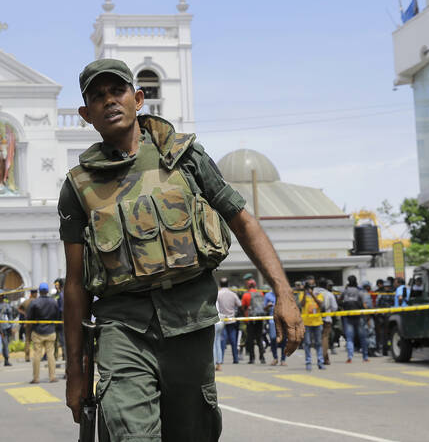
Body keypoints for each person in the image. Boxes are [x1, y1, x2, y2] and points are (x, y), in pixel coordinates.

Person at [60, 58, 304, 441]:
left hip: (189, 324)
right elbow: (75, 285)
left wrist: (284, 294)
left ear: (138, 98)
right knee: (130, 434)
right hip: (122, 328)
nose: (109, 101)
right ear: (85, 114)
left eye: (117, 91)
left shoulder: (185, 157)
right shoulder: (78, 186)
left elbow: (242, 220)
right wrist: (75, 373)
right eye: (97, 96)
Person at [27, 282, 61, 383]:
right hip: (50, 330)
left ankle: (36, 378)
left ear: (39, 292)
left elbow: (29, 317)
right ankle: (52, 377)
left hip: (37, 331)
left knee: (37, 354)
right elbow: (57, 316)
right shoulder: (54, 302)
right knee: (50, 354)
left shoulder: (34, 302)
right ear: (47, 291)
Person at [339, 276, 368, 363]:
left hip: (348, 317)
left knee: (349, 338)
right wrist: (368, 314)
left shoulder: (345, 291)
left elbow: (339, 301)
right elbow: (364, 304)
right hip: (359, 317)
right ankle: (365, 357)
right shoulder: (360, 291)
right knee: (362, 337)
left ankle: (350, 357)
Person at [298, 277, 325, 371]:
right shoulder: (302, 294)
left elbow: (321, 304)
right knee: (307, 343)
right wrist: (306, 294)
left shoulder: (318, 293)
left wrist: (312, 294)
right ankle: (308, 362)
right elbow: (301, 304)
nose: (310, 286)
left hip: (317, 322)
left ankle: (320, 362)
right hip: (306, 322)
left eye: (311, 284)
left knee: (318, 343)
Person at [240, 275, 266, 364]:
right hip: (260, 318)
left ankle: (252, 358)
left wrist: (245, 317)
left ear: (248, 286)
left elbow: (243, 307)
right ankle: (262, 358)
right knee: (259, 338)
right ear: (255, 285)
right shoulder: (261, 293)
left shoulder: (246, 295)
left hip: (250, 319)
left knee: (250, 339)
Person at [217, 277, 241, 366]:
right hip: (231, 319)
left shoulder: (218, 294)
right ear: (228, 284)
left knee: (222, 340)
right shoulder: (232, 294)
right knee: (233, 340)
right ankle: (235, 359)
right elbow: (239, 304)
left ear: (220, 284)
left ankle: (221, 359)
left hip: (221, 319)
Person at [314, 277, 337, 365]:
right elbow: (334, 307)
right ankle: (324, 357)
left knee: (317, 339)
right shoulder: (329, 294)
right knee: (325, 338)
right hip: (326, 319)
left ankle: (322, 357)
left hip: (314, 318)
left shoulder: (313, 293)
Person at [264, 288, 286, 366]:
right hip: (272, 321)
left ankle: (283, 359)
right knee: (273, 338)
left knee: (283, 340)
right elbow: (264, 309)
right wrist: (268, 306)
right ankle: (275, 358)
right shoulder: (268, 295)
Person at [375, 279, 395, 356]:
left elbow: (393, 303)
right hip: (382, 316)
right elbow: (377, 303)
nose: (387, 288)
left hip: (389, 315)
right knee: (382, 334)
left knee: (388, 333)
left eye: (388, 286)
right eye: (386, 286)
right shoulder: (381, 294)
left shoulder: (392, 294)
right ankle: (384, 349)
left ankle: (387, 349)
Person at [18, 288, 38, 362]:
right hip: (35, 323)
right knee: (36, 340)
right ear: (35, 294)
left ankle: (27, 357)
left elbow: (19, 308)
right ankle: (37, 355)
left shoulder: (26, 301)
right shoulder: (37, 301)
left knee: (27, 340)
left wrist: (24, 313)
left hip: (27, 323)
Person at [53, 278, 66, 361]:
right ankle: (57, 355)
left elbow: (60, 309)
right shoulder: (59, 294)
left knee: (61, 338)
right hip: (66, 319)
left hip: (60, 319)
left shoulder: (61, 295)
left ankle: (64, 354)